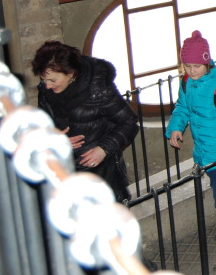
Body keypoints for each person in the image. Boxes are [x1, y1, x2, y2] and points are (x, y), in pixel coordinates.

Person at [165, 30, 216, 270]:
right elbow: (182, 107)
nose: (191, 71)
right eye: (187, 66)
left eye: (196, 66)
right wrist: (175, 127)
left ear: (207, 62)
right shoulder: (187, 83)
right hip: (205, 152)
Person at [33, 41, 139, 203]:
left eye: (52, 80)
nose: (47, 85)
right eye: (44, 80)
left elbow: (128, 121)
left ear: (70, 73)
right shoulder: (46, 90)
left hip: (100, 172)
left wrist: (103, 149)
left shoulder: (97, 89)